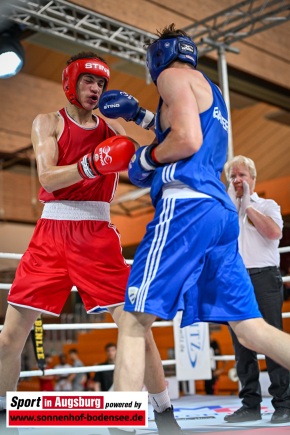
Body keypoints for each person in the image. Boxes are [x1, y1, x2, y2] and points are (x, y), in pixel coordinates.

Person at [98, 23, 290, 412]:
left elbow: (186, 139)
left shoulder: (169, 76)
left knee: (134, 320)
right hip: (218, 215)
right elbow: (187, 130)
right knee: (252, 330)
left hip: (185, 208)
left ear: (157, 57)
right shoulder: (210, 90)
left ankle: (117, 421)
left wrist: (146, 158)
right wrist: (144, 117)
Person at [0, 51, 181, 434]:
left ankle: (164, 412)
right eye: (88, 81)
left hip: (96, 234)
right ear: (70, 82)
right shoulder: (47, 122)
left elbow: (155, 152)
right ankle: (5, 417)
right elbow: (47, 178)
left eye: (101, 83)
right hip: (50, 234)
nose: (95, 89)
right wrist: (91, 165)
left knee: (135, 325)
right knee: (9, 337)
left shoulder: (113, 128)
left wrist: (143, 117)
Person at [223, 155, 290, 423]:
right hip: (233, 279)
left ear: (252, 178)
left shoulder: (268, 205)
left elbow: (274, 233)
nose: (238, 180)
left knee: (271, 341)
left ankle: (284, 403)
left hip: (263, 277)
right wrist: (231, 204)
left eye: (242, 175)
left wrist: (248, 205)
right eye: (233, 176)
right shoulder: (226, 209)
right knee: (242, 345)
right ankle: (249, 404)